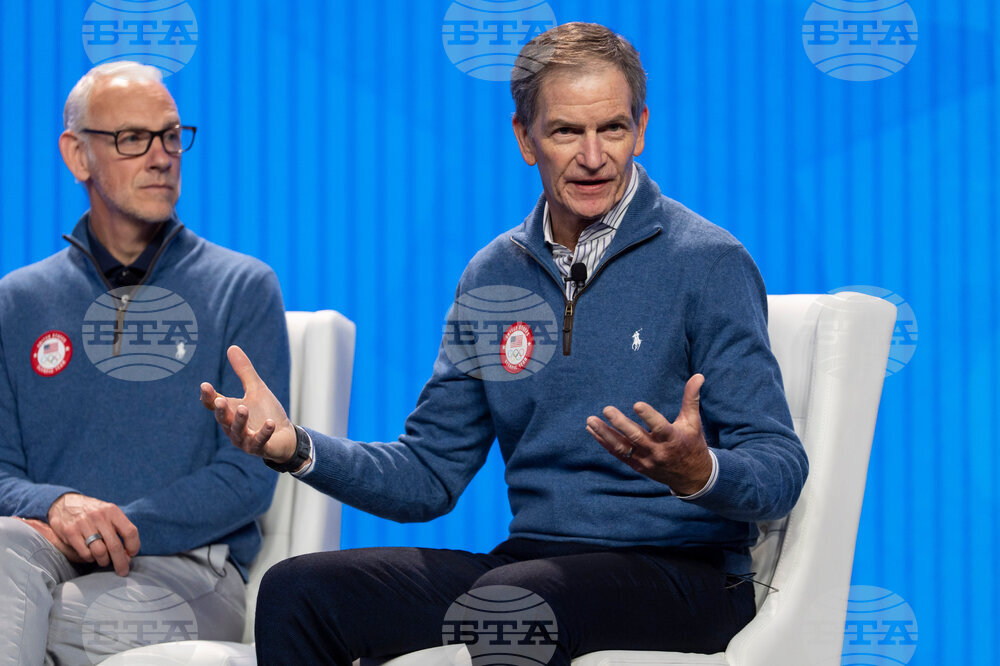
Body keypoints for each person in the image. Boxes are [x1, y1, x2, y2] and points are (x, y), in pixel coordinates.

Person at [203, 22, 808, 665]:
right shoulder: (493, 275)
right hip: (535, 564)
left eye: (613, 129)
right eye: (567, 131)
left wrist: (701, 472)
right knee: (300, 590)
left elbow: (780, 465)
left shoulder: (707, 262)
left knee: (515, 600)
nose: (594, 155)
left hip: (688, 574)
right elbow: (428, 475)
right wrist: (296, 447)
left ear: (642, 126)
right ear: (524, 138)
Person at [0, 61, 290, 665]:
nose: (162, 156)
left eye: (170, 135)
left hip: (190, 568)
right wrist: (57, 507)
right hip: (42, 548)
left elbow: (247, 479)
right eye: (133, 139)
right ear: (78, 156)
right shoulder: (17, 302)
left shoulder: (242, 287)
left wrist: (108, 526)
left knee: (46, 623)